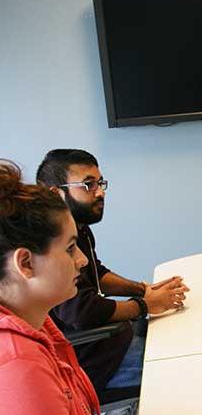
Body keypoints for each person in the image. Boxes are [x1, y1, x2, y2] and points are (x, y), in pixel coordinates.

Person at [0, 161, 133, 415]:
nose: (83, 260)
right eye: (70, 248)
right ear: (26, 264)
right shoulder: (18, 364)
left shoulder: (38, 325)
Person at [36, 149, 188, 393]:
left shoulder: (79, 229)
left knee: (183, 338)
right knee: (184, 365)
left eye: (100, 183)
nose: (100, 192)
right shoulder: (48, 246)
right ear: (56, 194)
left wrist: (144, 289)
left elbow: (97, 273)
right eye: (88, 185)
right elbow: (81, 311)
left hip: (114, 341)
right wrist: (144, 305)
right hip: (96, 363)